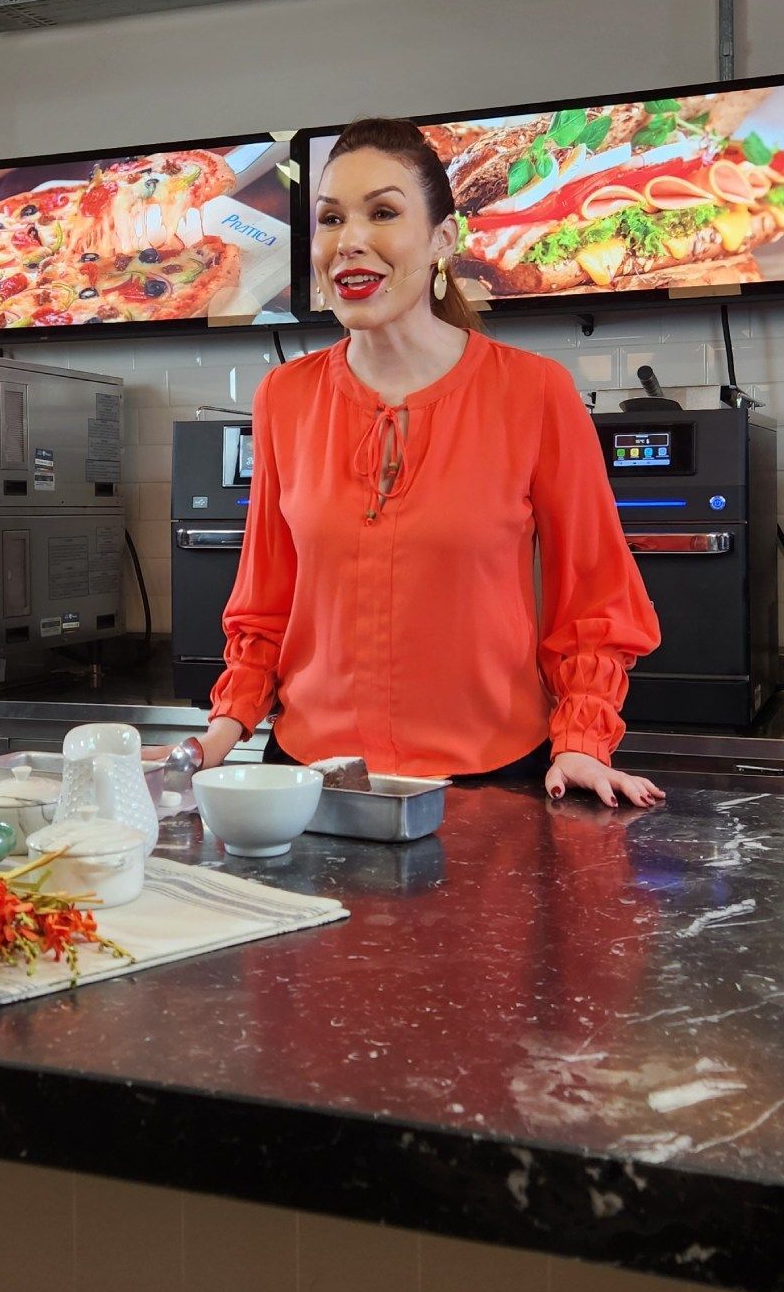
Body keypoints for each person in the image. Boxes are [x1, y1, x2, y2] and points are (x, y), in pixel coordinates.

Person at [191, 117, 664, 807]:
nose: (350, 240)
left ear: (443, 240)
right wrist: (216, 734)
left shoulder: (534, 391)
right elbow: (266, 601)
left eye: (383, 213)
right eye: (331, 219)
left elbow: (595, 599)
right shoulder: (283, 398)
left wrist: (583, 743)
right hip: (309, 784)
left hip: (489, 782)